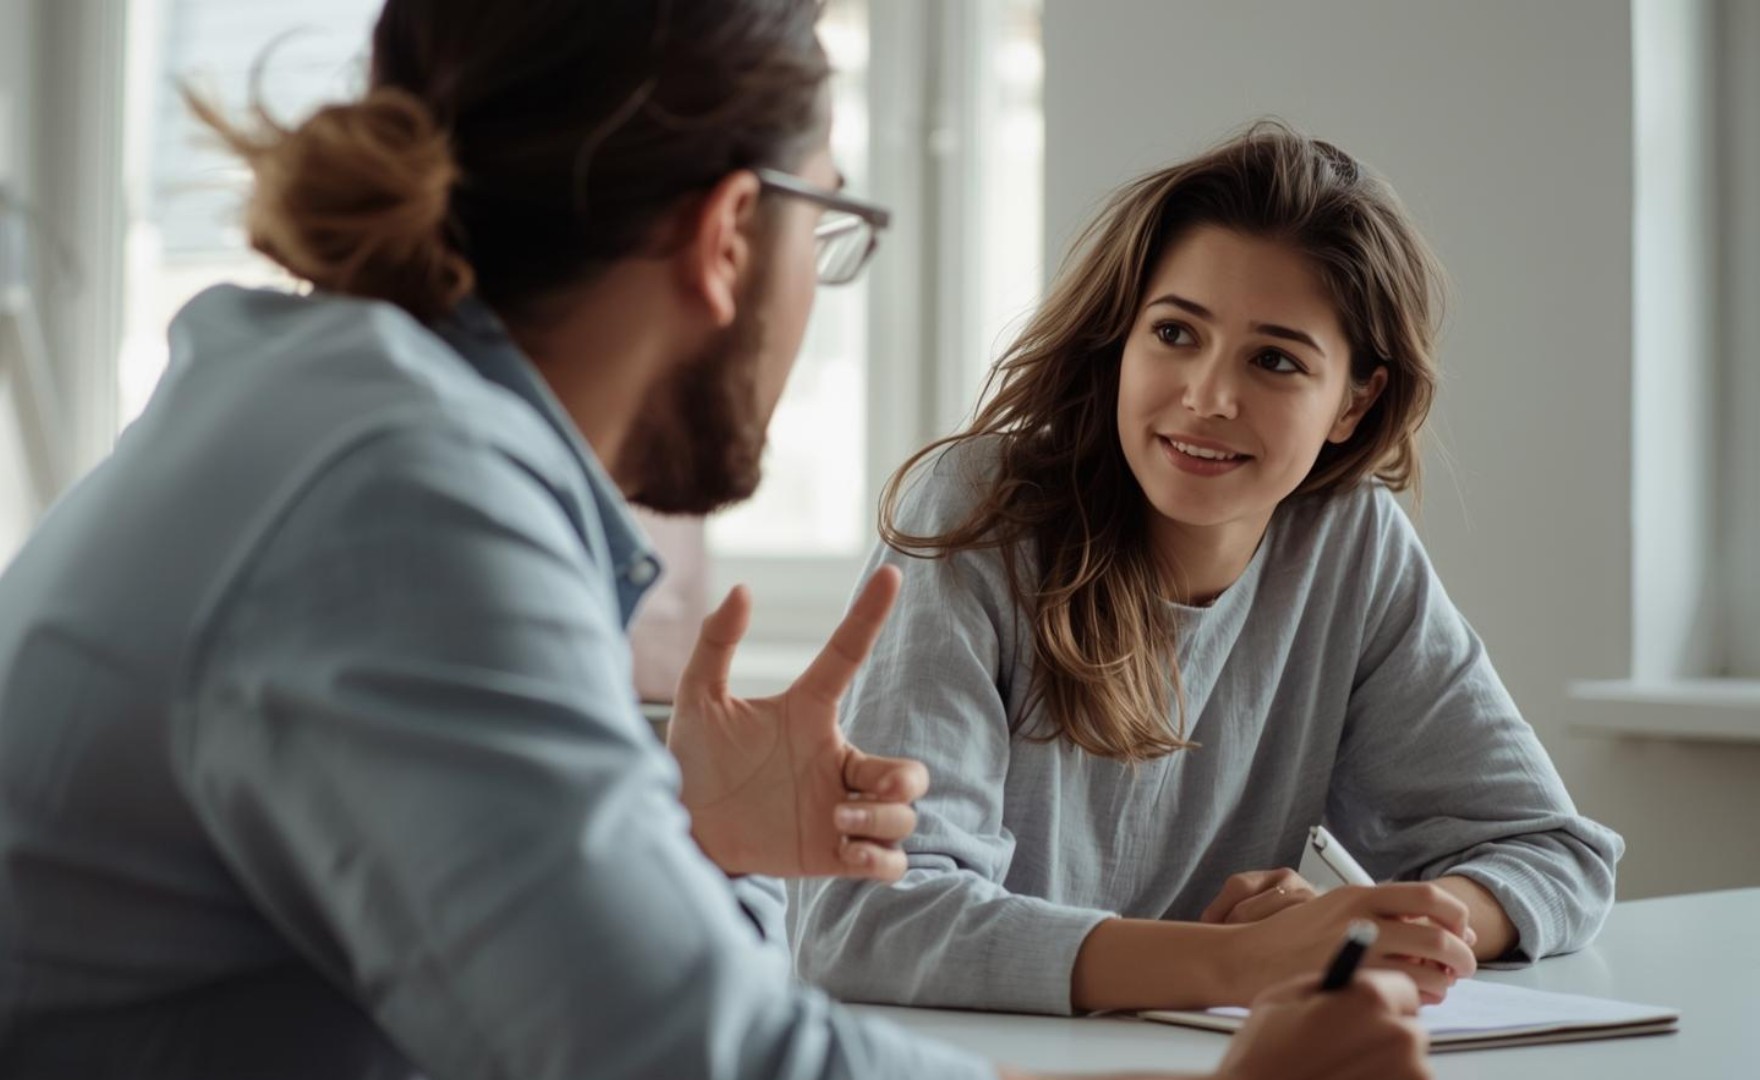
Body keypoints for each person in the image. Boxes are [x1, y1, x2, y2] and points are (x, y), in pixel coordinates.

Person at [0, 3, 1431, 1078]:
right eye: (835, 227)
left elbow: (555, 991)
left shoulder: (331, 410)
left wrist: (689, 844)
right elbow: (699, 1062)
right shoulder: (404, 500)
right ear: (733, 234)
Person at [790, 122, 1625, 1017]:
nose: (1209, 397)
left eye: (1275, 360)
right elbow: (866, 921)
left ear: (1355, 400)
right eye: (1175, 333)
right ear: (1123, 339)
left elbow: (1554, 854)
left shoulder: (1349, 544)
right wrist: (1243, 962)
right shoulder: (977, 511)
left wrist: (1375, 927)